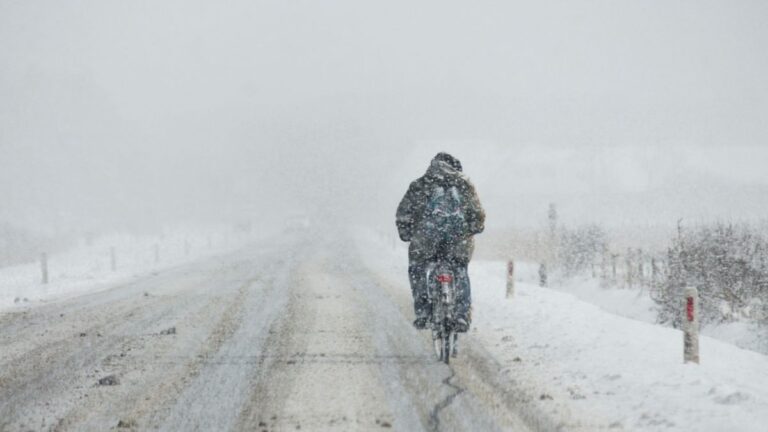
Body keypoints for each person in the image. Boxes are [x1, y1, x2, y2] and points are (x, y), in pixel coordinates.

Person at [396, 152, 485, 331]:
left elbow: (404, 213)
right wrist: (476, 227)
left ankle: (423, 313)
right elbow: (477, 213)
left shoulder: (420, 184)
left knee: (417, 269)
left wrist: (406, 232)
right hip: (457, 240)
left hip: (426, 241)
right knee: (459, 270)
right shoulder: (464, 184)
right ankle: (461, 316)